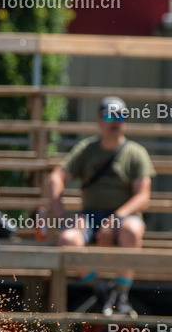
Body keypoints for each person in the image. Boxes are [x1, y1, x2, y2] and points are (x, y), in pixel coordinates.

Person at [45, 97, 156, 317]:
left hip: (125, 217)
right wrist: (64, 216)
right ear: (99, 121)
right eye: (109, 116)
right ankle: (101, 290)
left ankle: (122, 295)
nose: (115, 121)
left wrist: (115, 218)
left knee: (132, 231)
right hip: (90, 217)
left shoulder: (136, 153)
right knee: (67, 240)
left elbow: (143, 197)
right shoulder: (86, 149)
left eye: (121, 116)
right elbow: (54, 179)